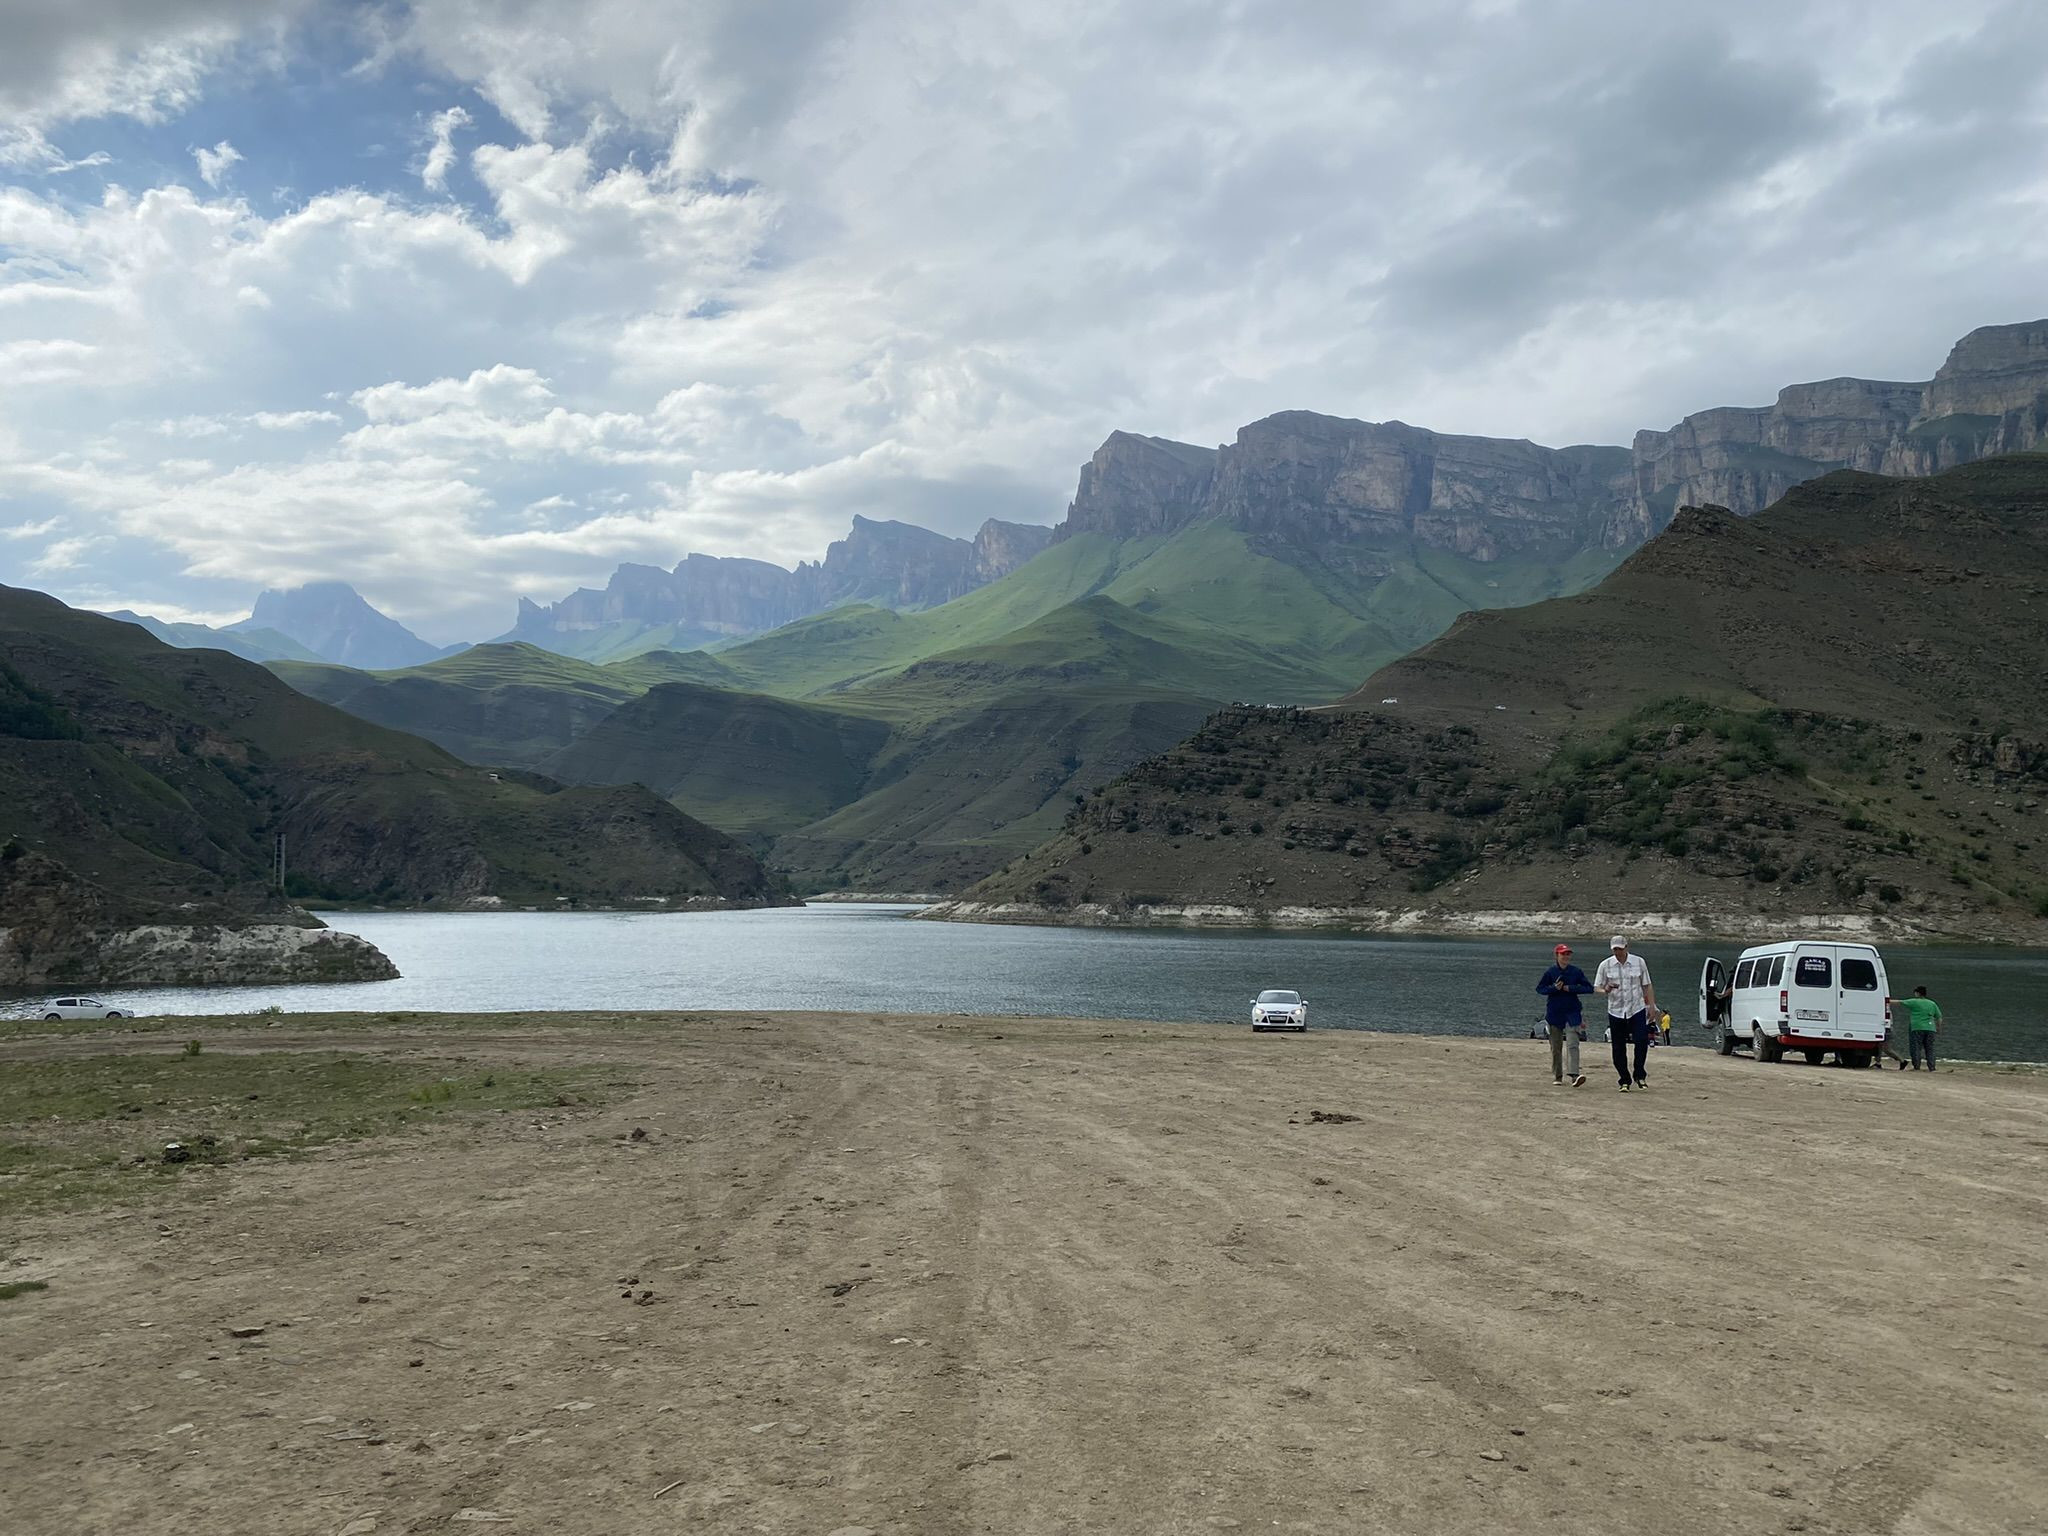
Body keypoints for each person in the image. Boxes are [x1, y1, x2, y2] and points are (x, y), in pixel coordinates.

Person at [1594, 935, 1657, 1091]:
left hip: (1636, 1007)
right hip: (1616, 1010)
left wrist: (1651, 1006)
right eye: (1615, 949)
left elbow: (1647, 985)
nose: (1618, 952)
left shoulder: (1639, 962)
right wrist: (1606, 989)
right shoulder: (1605, 965)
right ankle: (1624, 1079)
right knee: (1618, 1047)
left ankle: (1640, 1075)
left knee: (1642, 1041)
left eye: (1620, 949)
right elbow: (1597, 987)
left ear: (1626, 947)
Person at [1535, 942, 1593, 1087]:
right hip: (1554, 1013)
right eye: (1563, 954)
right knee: (1556, 1047)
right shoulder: (1550, 972)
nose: (1566, 956)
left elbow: (1588, 988)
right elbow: (1540, 989)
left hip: (1573, 1012)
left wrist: (1570, 988)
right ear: (1557, 955)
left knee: (1573, 1044)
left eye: (1568, 954)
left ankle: (1574, 1075)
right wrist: (1554, 988)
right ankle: (1557, 1075)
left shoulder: (1576, 971)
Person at [1896, 985, 1943, 1071]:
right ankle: (1932, 1067)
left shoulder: (1914, 1002)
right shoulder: (1932, 1003)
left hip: (1917, 1027)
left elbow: (1899, 1002)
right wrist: (1938, 1028)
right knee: (1930, 1048)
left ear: (1917, 993)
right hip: (1930, 1028)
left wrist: (1885, 1001)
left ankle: (1916, 1067)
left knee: (1916, 1048)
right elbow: (1939, 1017)